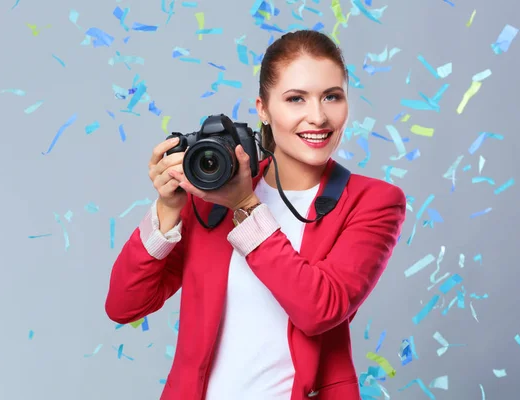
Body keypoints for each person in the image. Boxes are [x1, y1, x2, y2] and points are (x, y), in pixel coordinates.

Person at [105, 29, 406, 400]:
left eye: (332, 96)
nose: (318, 116)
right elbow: (124, 305)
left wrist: (245, 206)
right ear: (263, 108)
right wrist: (168, 209)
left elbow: (319, 309)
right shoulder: (212, 194)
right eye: (296, 99)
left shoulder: (373, 201)